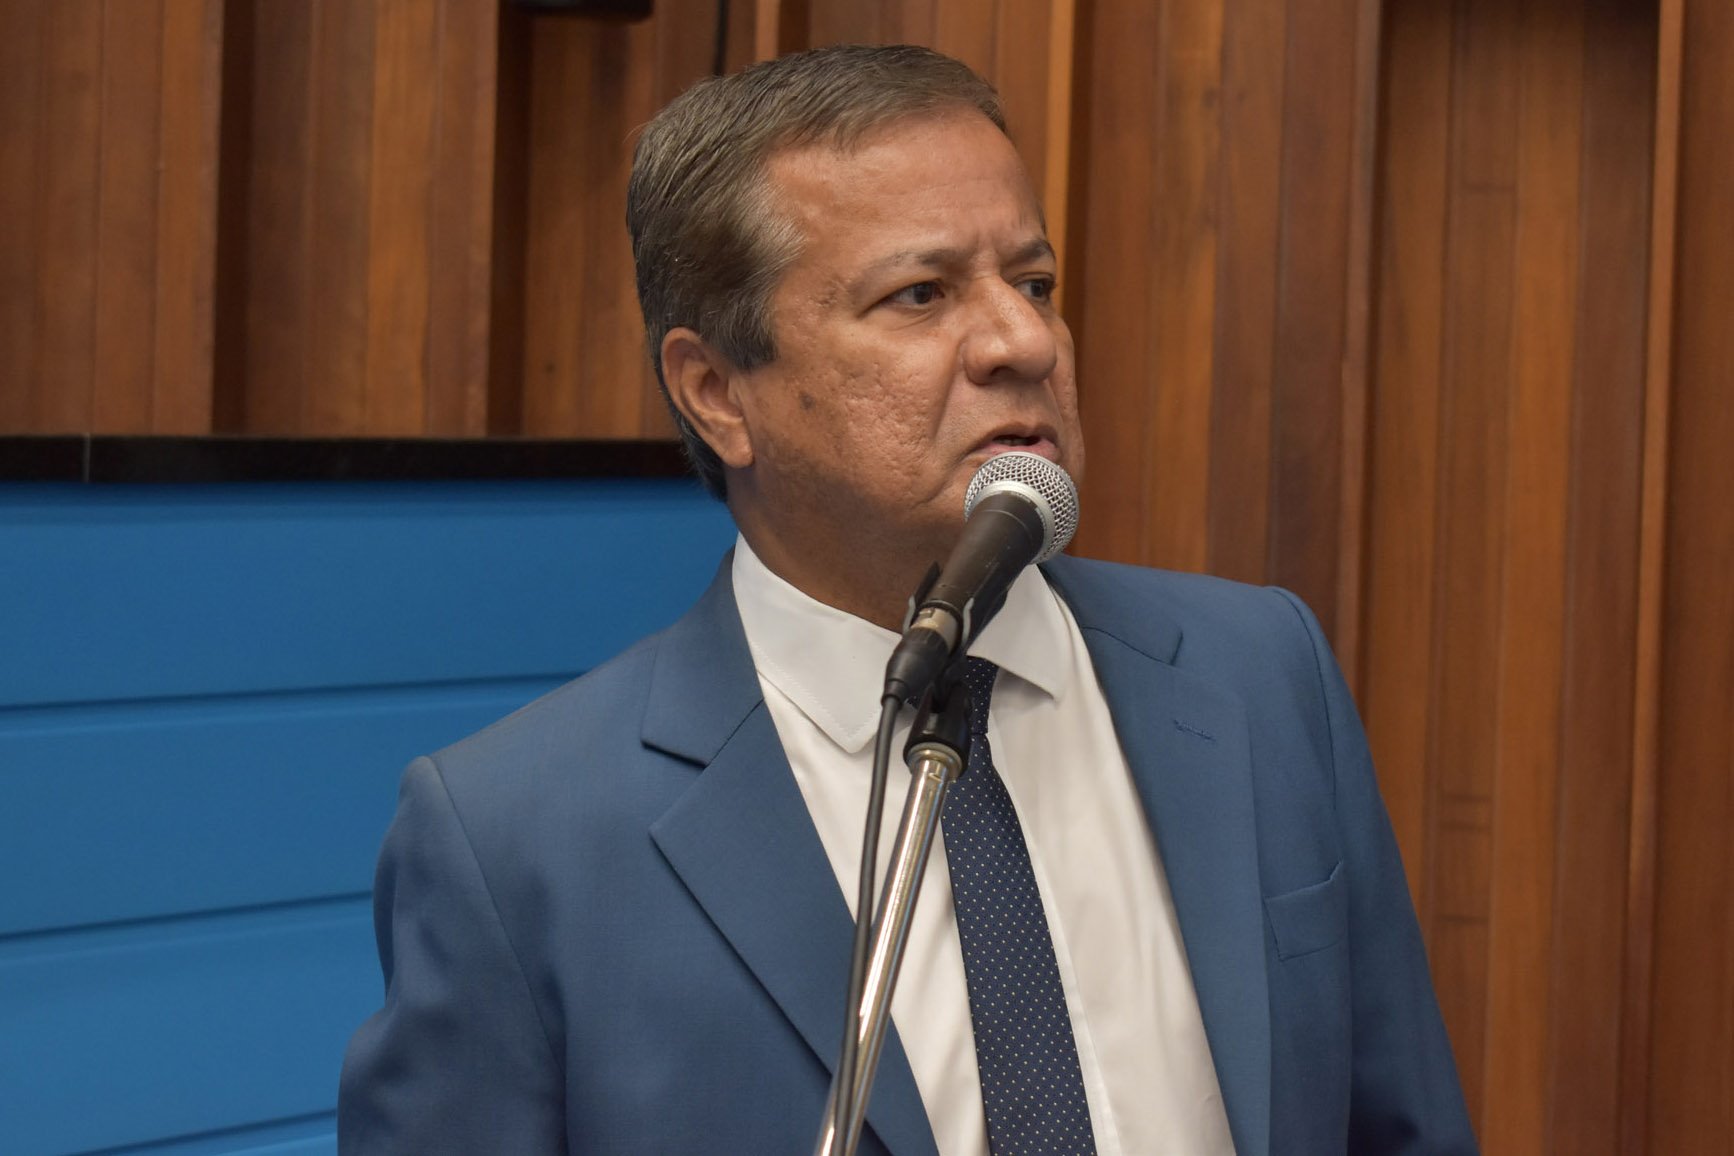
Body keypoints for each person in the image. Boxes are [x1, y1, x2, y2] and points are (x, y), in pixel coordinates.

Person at [338, 44, 1475, 1155]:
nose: (1025, 341)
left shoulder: (1259, 675)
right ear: (718, 392)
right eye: (920, 294)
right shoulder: (517, 842)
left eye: (1034, 283)